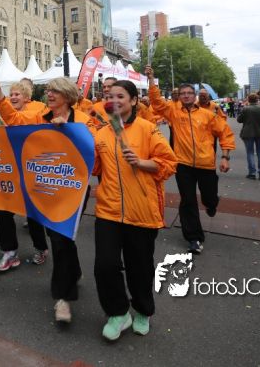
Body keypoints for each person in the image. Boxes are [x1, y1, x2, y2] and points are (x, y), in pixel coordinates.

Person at [0, 75, 96, 324]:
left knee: (61, 238)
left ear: (67, 96)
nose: (49, 94)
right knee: (61, 237)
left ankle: (63, 298)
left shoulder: (84, 120)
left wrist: (68, 130)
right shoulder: (40, 117)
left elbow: (93, 150)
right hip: (47, 187)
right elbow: (15, 120)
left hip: (74, 189)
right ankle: (73, 273)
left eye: (54, 91)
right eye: (48, 90)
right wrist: (1, 96)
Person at [92, 80, 177, 341]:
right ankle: (118, 313)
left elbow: (169, 163)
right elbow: (94, 167)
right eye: (110, 96)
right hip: (108, 210)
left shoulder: (147, 129)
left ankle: (142, 310)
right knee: (105, 266)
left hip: (141, 212)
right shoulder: (102, 133)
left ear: (133, 101)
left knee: (139, 268)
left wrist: (141, 162)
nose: (114, 100)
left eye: (121, 96)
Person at [146, 66, 235, 254]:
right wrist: (151, 79)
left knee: (209, 196)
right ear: (179, 96)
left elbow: (225, 133)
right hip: (183, 165)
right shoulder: (173, 112)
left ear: (194, 96)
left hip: (206, 164)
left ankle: (211, 204)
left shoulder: (208, 115)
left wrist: (225, 157)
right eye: (183, 93)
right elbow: (156, 102)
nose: (186, 96)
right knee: (188, 200)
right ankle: (194, 238)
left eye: (189, 93)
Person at [0, 80, 50, 271]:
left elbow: (19, 121)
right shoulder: (0, 114)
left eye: (17, 94)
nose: (13, 97)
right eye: (11, 94)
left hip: (29, 171)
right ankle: (9, 251)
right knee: (2, 211)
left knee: (32, 213)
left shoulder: (33, 114)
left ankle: (40, 247)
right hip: (7, 171)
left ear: (27, 98)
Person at [237, 94, 260, 180]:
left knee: (250, 152)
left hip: (248, 132)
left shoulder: (245, 109)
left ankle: (252, 173)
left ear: (248, 100)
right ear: (257, 99)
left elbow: (239, 120)